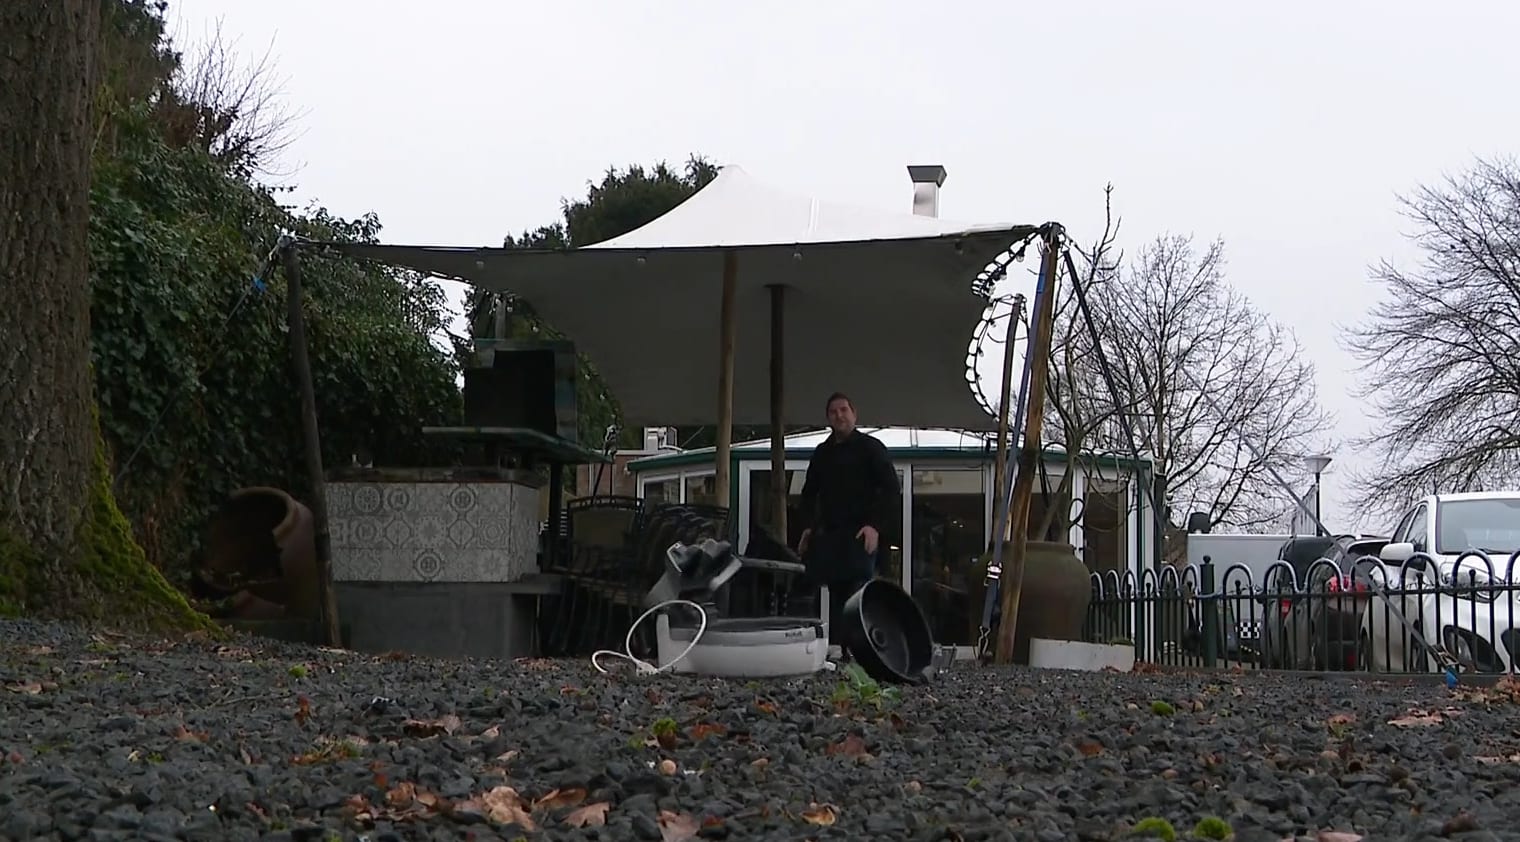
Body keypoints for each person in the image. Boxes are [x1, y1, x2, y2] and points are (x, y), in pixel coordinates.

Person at [795, 392, 900, 646]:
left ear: (854, 414)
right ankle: (841, 652)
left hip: (861, 533)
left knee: (859, 594)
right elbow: (809, 493)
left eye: (844, 410)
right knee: (836, 595)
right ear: (828, 419)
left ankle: (863, 652)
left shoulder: (871, 449)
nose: (839, 415)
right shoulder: (822, 453)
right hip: (831, 535)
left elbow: (890, 489)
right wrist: (807, 528)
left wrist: (874, 526)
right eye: (833, 412)